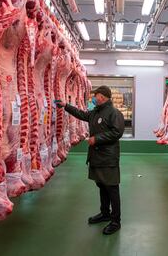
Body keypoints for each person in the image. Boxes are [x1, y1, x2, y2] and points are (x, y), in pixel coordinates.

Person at [56, 85, 125, 235]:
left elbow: (117, 132)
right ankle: (105, 213)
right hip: (96, 157)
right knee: (102, 185)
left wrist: (97, 139)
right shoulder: (96, 112)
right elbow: (82, 114)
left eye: (96, 95)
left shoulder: (114, 113)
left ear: (102, 97)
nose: (94, 98)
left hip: (108, 158)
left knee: (112, 188)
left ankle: (115, 221)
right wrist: (66, 106)